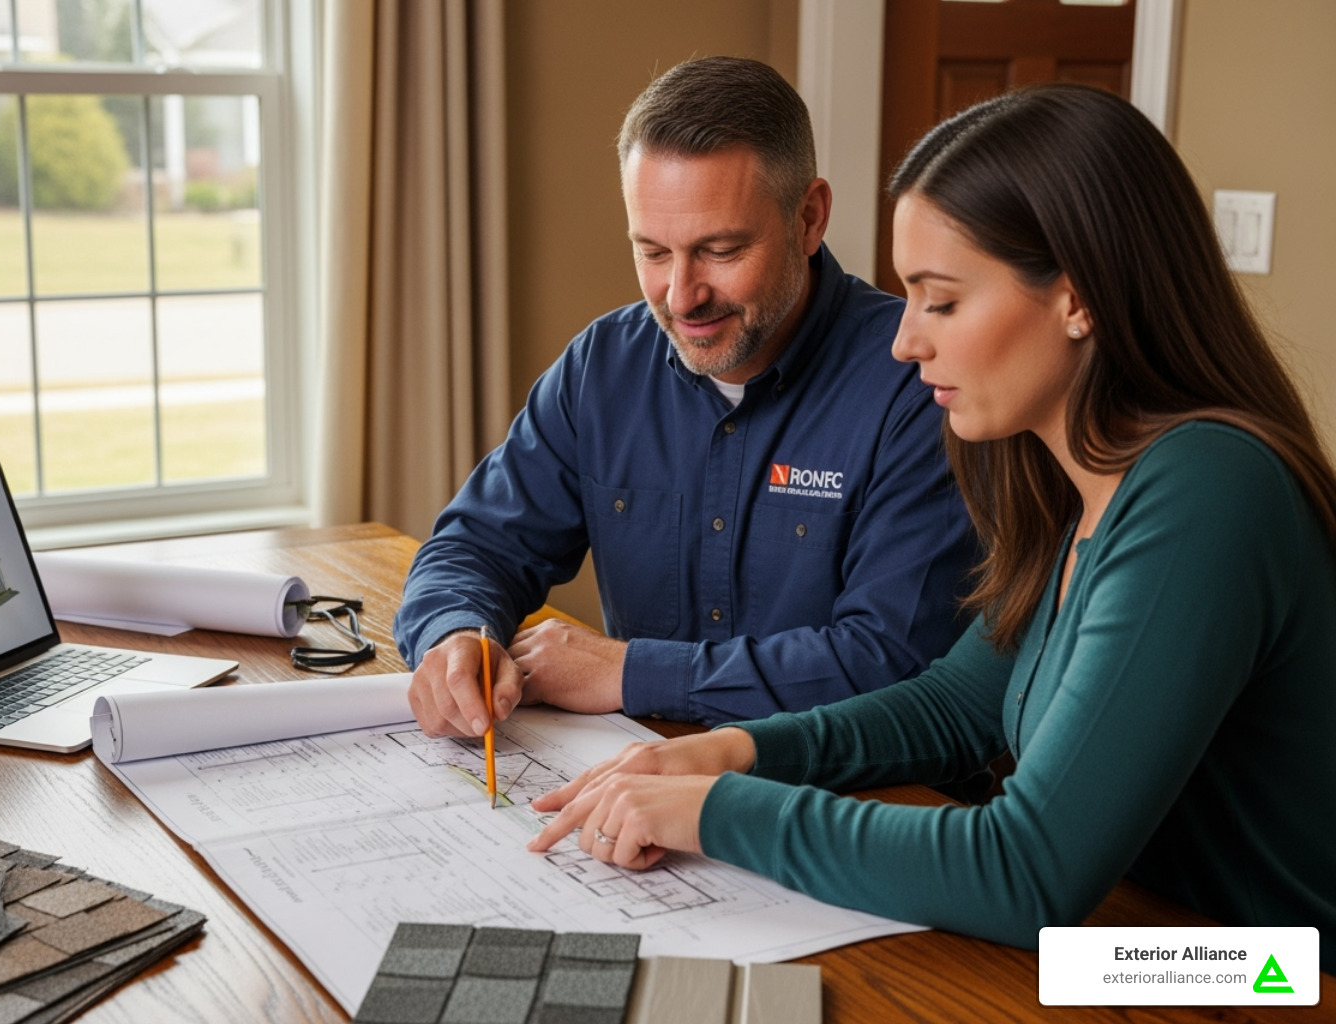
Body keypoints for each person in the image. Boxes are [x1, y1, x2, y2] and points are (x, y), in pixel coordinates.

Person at [528, 83, 1336, 970]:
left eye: (940, 301)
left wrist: (713, 810)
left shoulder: (1207, 491)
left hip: (1267, 978)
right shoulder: (1074, 480)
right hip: (1127, 944)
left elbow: (1025, 873)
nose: (905, 341)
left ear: (1077, 298)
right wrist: (737, 750)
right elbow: (957, 704)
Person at [395, 57, 975, 736]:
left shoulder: (919, 382)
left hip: (847, 803)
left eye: (721, 250)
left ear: (810, 218)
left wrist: (630, 672)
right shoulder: (602, 367)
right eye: (654, 252)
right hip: (640, 788)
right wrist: (455, 632)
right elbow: (476, 546)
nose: (681, 296)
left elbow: (892, 661)